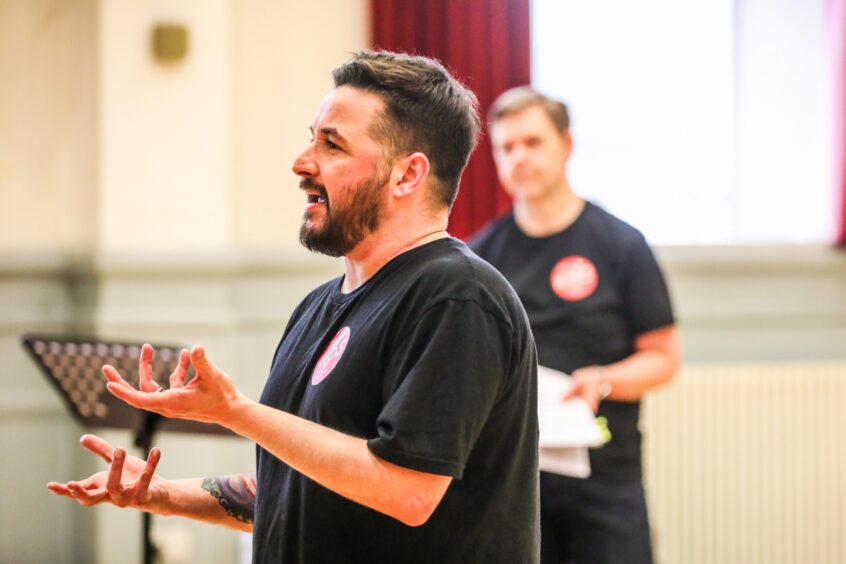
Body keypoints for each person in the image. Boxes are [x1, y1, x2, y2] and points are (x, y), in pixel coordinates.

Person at [47, 52, 540, 563]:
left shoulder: (459, 297)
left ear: (407, 175)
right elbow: (295, 487)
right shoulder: (319, 305)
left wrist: (237, 413)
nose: (302, 162)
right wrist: (166, 495)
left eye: (332, 145)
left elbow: (406, 490)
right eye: (312, 138)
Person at [470, 87, 681, 564]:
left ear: (566, 145)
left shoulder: (621, 244)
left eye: (532, 142)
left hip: (606, 480)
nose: (519, 157)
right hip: (513, 481)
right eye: (506, 147)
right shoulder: (480, 257)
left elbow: (665, 357)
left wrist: (604, 381)